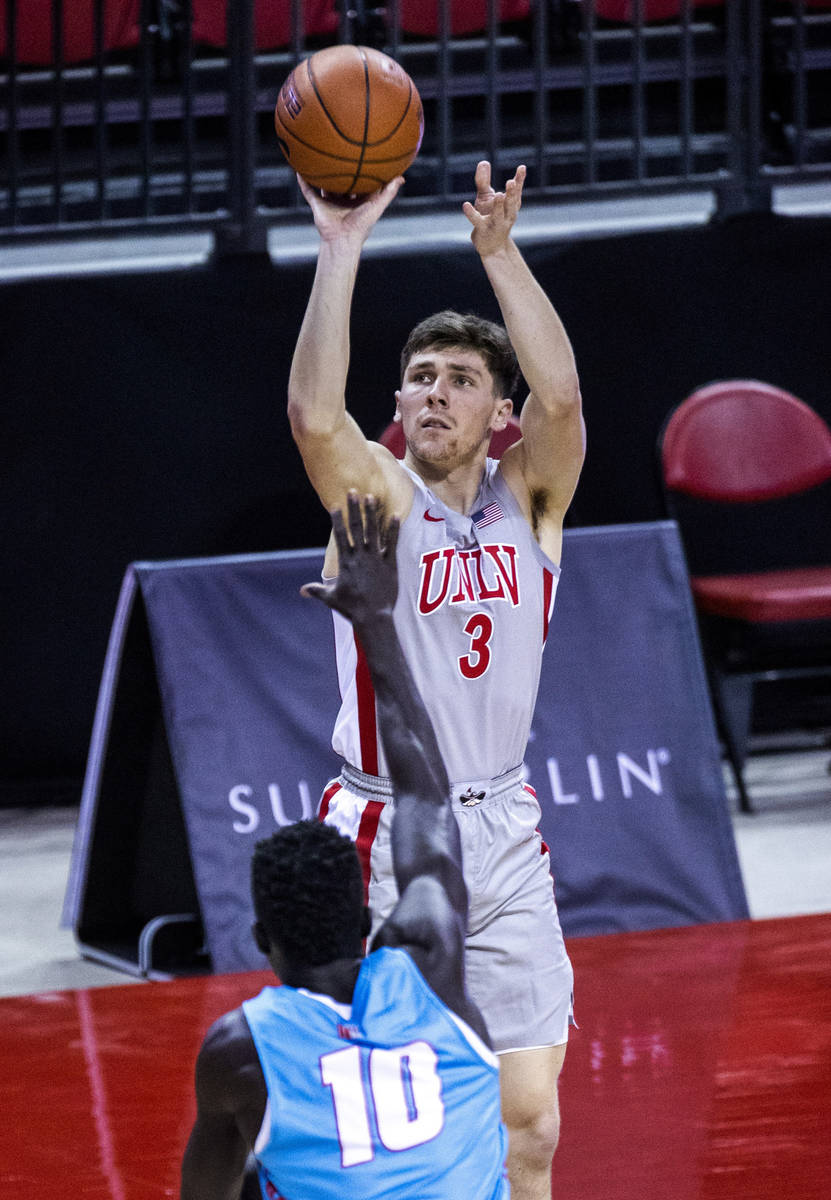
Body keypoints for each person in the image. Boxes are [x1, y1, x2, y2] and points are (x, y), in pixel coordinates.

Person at [288, 160, 585, 1200]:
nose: (433, 394)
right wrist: (341, 246)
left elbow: (563, 394)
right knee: (375, 1124)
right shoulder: (378, 494)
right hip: (379, 829)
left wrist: (499, 255)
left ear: (498, 414)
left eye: (459, 379)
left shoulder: (532, 496)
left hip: (502, 827)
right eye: (419, 378)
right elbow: (315, 419)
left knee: (533, 1124)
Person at [181, 493, 509, 1200]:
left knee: (250, 1167)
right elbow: (423, 791)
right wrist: (377, 620)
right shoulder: (431, 963)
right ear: (367, 923)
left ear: (262, 939)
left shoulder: (237, 1049)